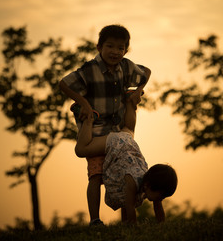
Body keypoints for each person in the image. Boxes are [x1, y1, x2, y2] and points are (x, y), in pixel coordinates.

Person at [59, 24, 151, 225]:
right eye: (110, 46)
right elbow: (64, 83)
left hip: (117, 131)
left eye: (121, 48)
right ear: (99, 47)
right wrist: (82, 102)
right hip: (94, 133)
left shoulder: (125, 66)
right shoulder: (90, 70)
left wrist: (137, 91)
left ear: (126, 50)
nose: (115, 52)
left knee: (122, 174)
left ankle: (126, 219)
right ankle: (95, 219)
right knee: (96, 176)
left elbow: (146, 73)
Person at [75, 93, 178, 224]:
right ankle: (89, 119)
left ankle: (130, 104)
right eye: (161, 196)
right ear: (147, 185)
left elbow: (159, 213)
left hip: (128, 142)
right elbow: (129, 208)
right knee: (81, 150)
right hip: (116, 143)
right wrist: (132, 225)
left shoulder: (152, 185)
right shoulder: (132, 182)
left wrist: (162, 225)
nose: (160, 199)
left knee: (129, 129)